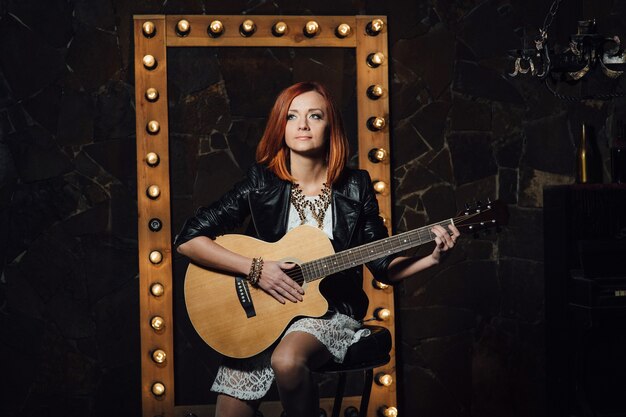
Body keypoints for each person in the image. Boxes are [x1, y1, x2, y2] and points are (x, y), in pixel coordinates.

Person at [174, 81, 460, 417]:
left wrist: (432, 257)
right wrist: (256, 269)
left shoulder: (356, 186)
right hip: (264, 313)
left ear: (331, 126)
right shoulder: (261, 182)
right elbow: (188, 240)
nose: (303, 125)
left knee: (287, 358)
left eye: (314, 115)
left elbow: (383, 264)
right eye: (292, 116)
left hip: (328, 311)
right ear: (281, 126)